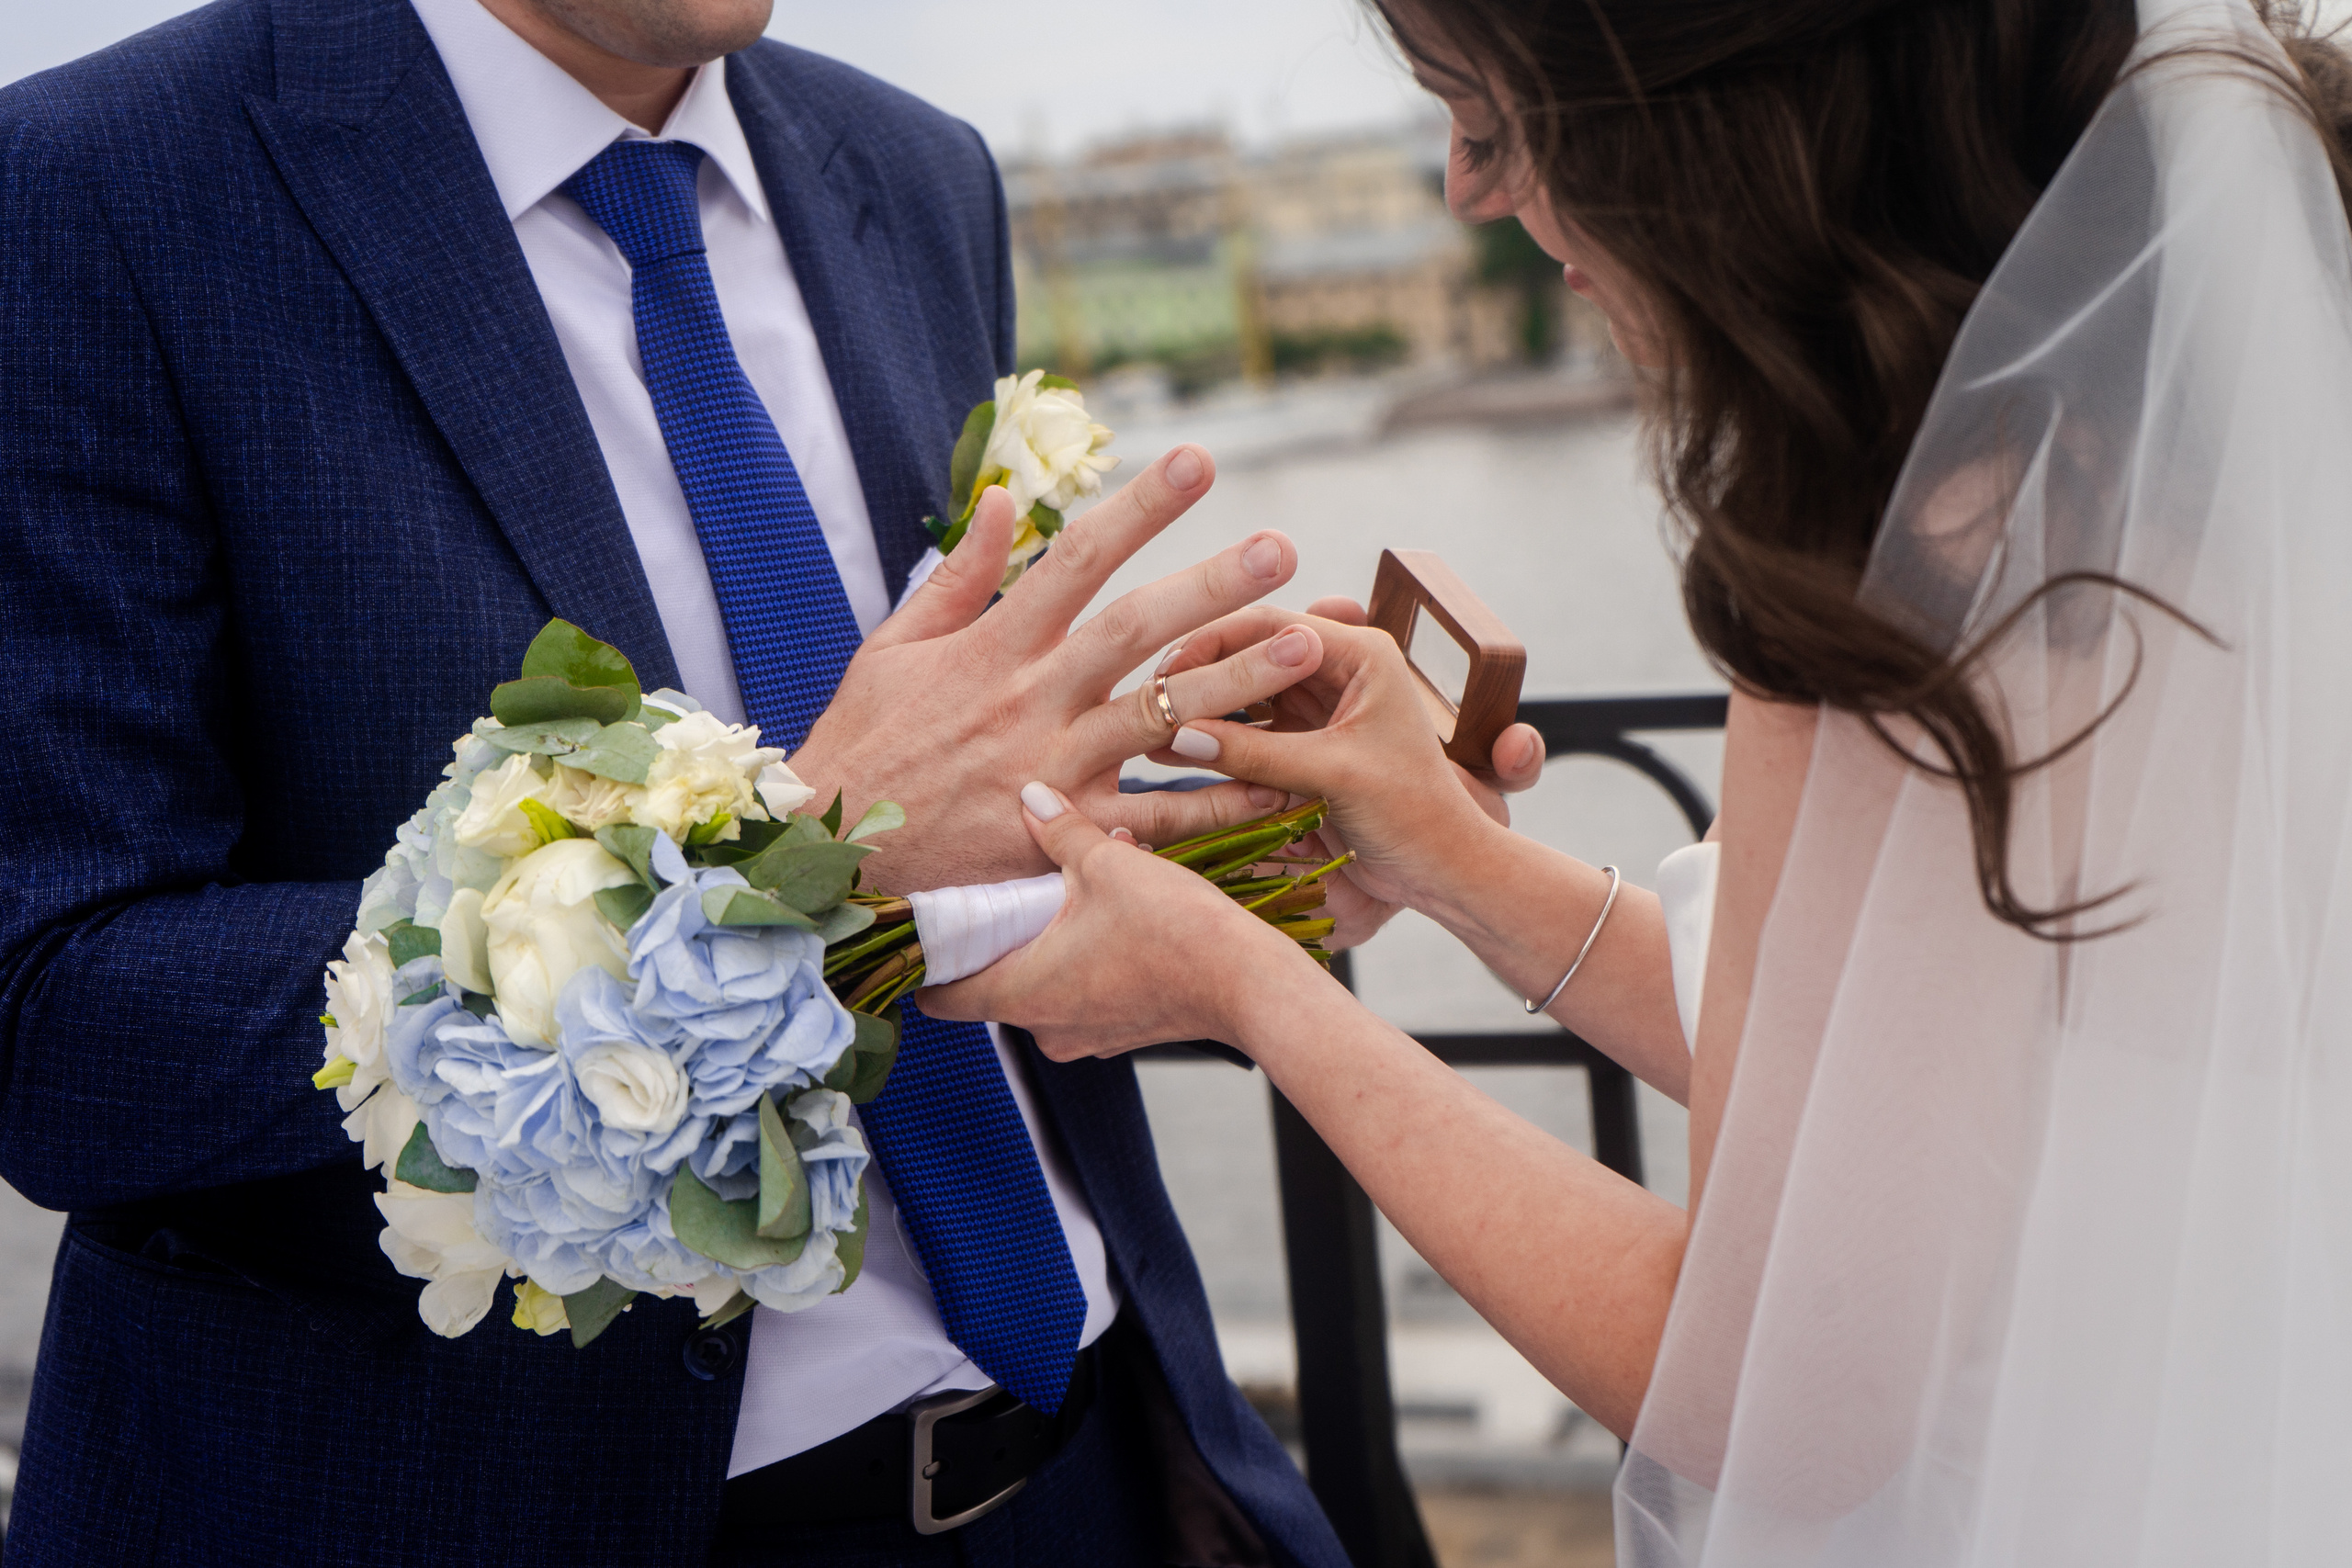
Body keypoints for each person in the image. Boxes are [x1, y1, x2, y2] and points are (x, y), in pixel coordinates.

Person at [928, 0, 2352, 1561]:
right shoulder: (2180, 455)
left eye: (1493, 116)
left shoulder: (1891, 571)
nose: (1471, 191)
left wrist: (1259, 995)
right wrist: (1451, 860)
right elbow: (1945, 1077)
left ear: (1698, 124)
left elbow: (1779, 1403)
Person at [0, 0, 1364, 1562]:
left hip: (1092, 1455)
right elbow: (49, 1014)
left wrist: (1248, 857)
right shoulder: (82, 190)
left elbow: (958, 848)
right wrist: (785, 858)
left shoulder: (920, 169)